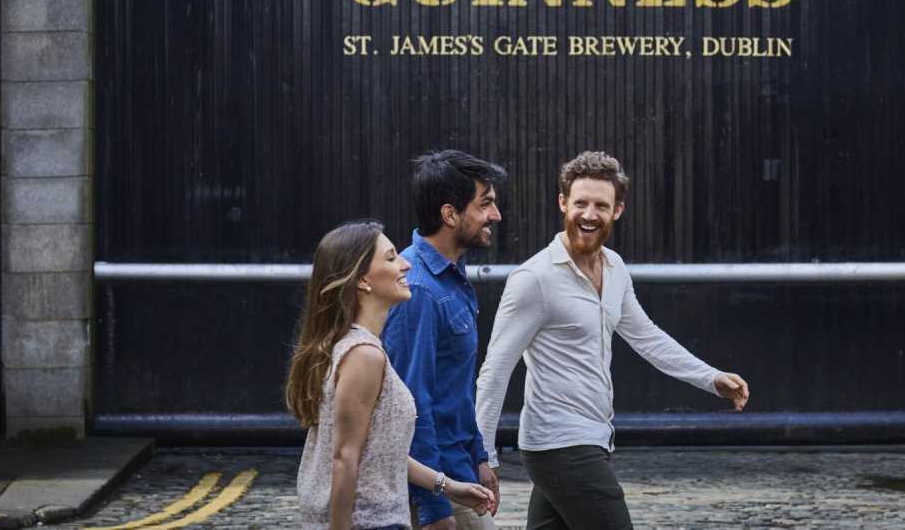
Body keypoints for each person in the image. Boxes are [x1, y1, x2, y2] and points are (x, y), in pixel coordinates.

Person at [474, 151, 750, 530]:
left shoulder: (615, 267)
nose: (589, 214)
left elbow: (648, 337)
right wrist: (485, 455)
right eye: (580, 203)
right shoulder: (533, 279)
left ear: (617, 210)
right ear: (562, 203)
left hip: (594, 439)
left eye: (600, 205)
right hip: (560, 444)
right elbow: (495, 370)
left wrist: (710, 378)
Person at [286, 219, 495, 530]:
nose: (406, 265)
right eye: (391, 257)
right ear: (362, 280)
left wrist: (448, 487)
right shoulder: (363, 355)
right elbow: (344, 458)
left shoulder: (357, 347)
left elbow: (384, 449)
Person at [382, 151, 507, 530]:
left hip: (461, 469)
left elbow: (454, 390)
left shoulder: (450, 275)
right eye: (485, 204)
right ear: (450, 215)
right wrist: (436, 509)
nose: (496, 216)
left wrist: (480, 457)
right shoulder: (418, 290)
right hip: (441, 485)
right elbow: (410, 405)